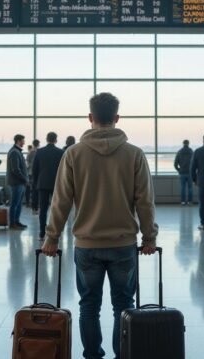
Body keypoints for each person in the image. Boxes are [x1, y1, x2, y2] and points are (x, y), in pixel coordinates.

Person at [41, 92, 158, 359]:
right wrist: (149, 237)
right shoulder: (134, 154)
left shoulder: (73, 154)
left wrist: (52, 238)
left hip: (87, 245)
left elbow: (61, 201)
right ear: (117, 118)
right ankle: (123, 354)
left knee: (89, 307)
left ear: (90, 117)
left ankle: (92, 355)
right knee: (124, 306)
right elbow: (145, 202)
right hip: (123, 245)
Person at [31, 132, 64, 240]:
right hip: (56, 184)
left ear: (46, 139)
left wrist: (36, 183)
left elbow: (34, 169)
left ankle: (42, 233)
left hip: (42, 184)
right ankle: (56, 232)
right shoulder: (60, 152)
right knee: (57, 209)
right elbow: (64, 170)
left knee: (43, 209)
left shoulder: (39, 152)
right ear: (56, 140)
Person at [7, 134, 29, 229]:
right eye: (23, 141)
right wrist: (24, 179)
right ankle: (12, 223)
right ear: (18, 141)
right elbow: (15, 169)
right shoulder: (15, 152)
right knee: (14, 204)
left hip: (19, 183)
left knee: (18, 204)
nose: (24, 142)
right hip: (17, 183)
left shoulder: (16, 151)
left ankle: (16, 221)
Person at [174, 140, 194, 206]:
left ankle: (183, 201)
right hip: (190, 172)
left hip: (182, 172)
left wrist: (179, 170)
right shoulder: (191, 152)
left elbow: (175, 164)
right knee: (190, 188)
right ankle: (190, 202)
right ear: (188, 143)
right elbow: (194, 162)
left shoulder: (179, 152)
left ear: (183, 144)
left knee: (183, 188)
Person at [26, 139, 40, 212]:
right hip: (38, 172)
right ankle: (37, 204)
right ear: (38, 144)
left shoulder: (30, 152)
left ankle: (31, 204)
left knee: (32, 189)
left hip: (31, 172)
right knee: (37, 189)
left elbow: (27, 162)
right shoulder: (40, 151)